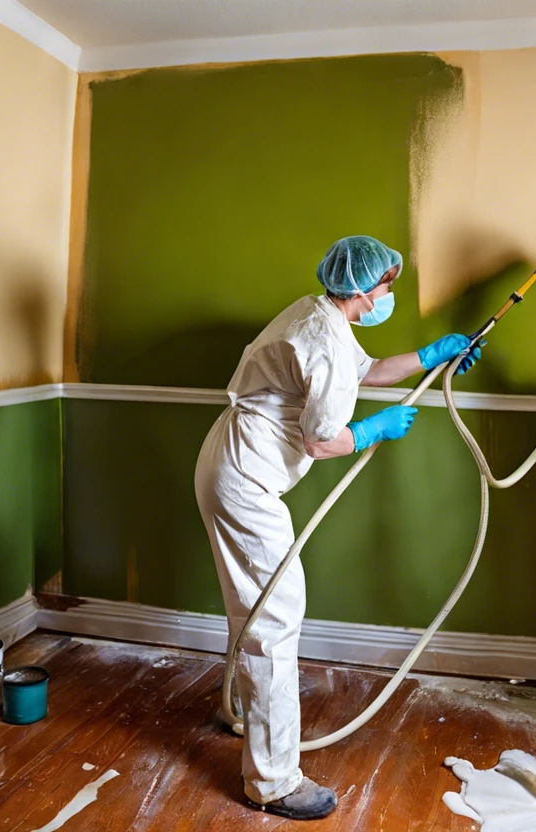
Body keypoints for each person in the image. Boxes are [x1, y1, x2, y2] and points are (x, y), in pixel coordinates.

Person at [193, 235, 482, 820]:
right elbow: (320, 440)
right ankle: (273, 781)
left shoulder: (322, 314)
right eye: (385, 285)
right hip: (245, 481)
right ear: (361, 288)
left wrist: (432, 354)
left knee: (255, 606)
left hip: (234, 466)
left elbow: (367, 370)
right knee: (274, 615)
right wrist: (373, 430)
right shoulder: (321, 337)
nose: (388, 295)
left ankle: (243, 711)